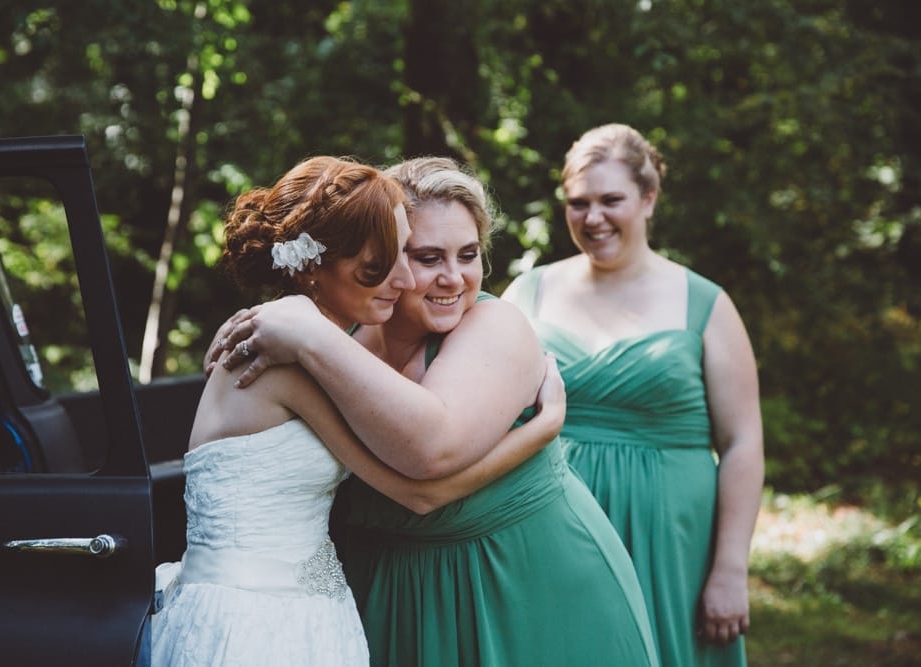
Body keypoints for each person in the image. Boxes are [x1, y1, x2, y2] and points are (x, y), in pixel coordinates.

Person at [211, 157, 659, 666]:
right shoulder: (342, 334)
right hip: (386, 592)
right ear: (384, 257)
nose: (453, 278)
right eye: (427, 257)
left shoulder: (496, 326)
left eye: (468, 255)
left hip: (524, 583)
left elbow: (430, 450)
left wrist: (307, 333)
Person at [150, 156, 566, 666]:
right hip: (257, 620)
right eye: (380, 264)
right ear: (315, 265)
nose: (399, 279)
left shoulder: (300, 339)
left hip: (289, 605)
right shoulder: (293, 355)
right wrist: (542, 429)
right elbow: (416, 489)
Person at [502, 123, 765, 667]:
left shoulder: (705, 303)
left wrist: (730, 569)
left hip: (670, 539)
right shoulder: (530, 293)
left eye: (610, 200)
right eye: (578, 203)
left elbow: (742, 442)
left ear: (648, 199)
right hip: (549, 524)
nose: (592, 218)